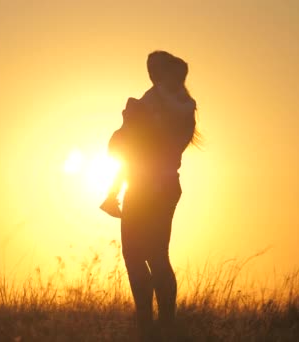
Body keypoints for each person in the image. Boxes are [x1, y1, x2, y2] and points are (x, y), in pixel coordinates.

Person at [105, 51, 198, 341]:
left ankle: (146, 326)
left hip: (144, 186)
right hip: (169, 186)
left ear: (158, 74)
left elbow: (130, 152)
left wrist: (113, 192)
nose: (149, 74)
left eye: (152, 69)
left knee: (134, 255)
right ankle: (166, 325)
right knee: (158, 254)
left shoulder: (147, 105)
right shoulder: (185, 109)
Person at [100, 51, 196, 218]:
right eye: (150, 69)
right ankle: (111, 197)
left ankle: (111, 197)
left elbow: (140, 145)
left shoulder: (161, 100)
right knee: (153, 243)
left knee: (140, 242)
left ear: (167, 71)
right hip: (154, 182)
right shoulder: (179, 103)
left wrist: (134, 115)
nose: (151, 74)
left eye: (156, 69)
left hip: (149, 184)